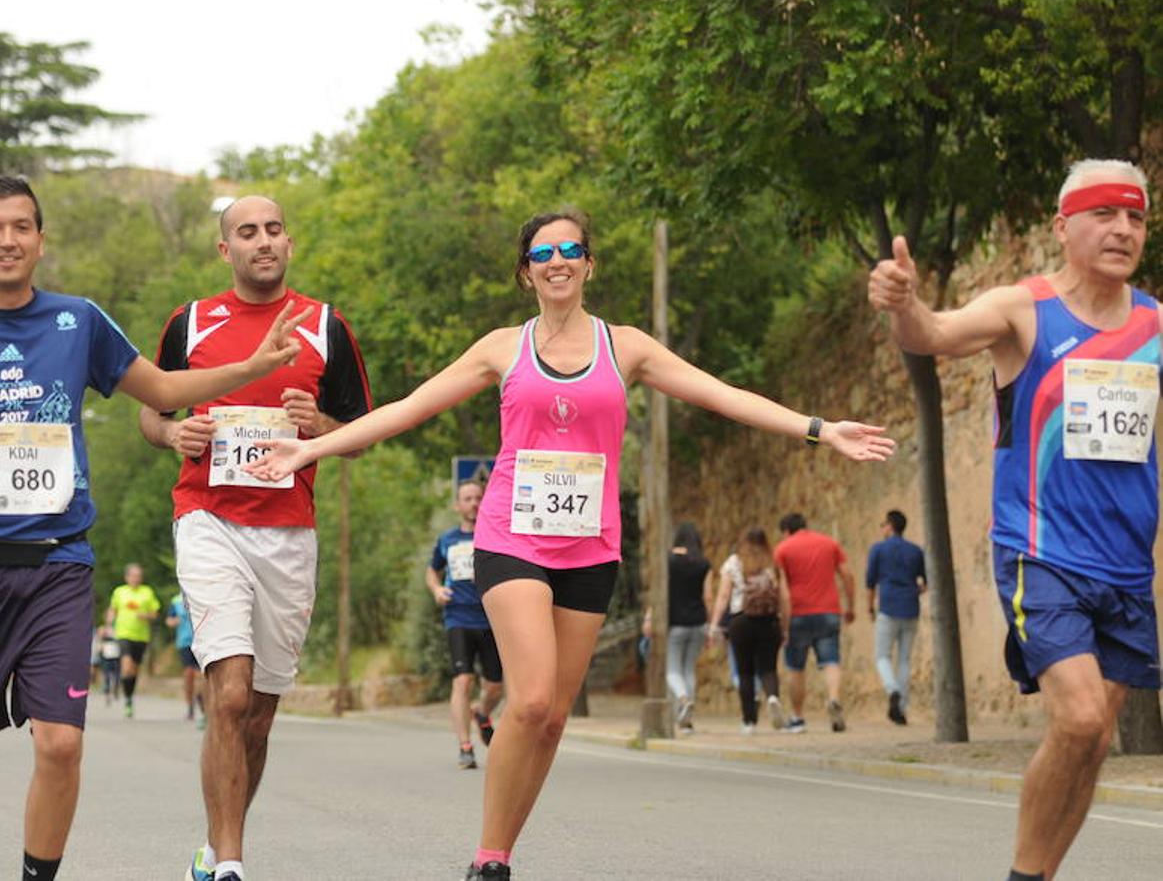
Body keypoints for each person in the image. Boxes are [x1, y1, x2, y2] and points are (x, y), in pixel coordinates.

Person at [250, 210, 893, 880]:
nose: (556, 260)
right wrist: (312, 447)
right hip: (512, 538)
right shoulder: (500, 348)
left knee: (553, 718)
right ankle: (488, 862)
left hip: (589, 547)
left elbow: (721, 395)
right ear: (525, 272)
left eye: (569, 249)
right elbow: (406, 409)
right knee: (528, 701)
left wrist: (819, 429)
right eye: (541, 252)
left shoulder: (627, 347)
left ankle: (501, 851)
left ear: (588, 264)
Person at [0, 174, 308, 881]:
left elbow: (162, 391)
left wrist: (251, 367)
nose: (7, 240)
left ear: (40, 239)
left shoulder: (79, 322)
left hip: (57, 564)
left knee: (61, 746)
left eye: (20, 226)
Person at [869, 158, 1160, 881]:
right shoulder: (1023, 310)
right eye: (1104, 214)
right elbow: (931, 334)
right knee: (1084, 718)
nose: (1122, 229)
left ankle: (1036, 875)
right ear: (1063, 228)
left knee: (1091, 745)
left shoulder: (1155, 325)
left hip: (1126, 566)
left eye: (1135, 216)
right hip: (1041, 552)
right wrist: (904, 303)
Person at [137, 194, 372, 881]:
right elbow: (153, 416)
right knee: (230, 694)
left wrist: (319, 425)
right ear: (225, 249)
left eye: (272, 230)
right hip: (207, 519)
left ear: (288, 243)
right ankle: (233, 864)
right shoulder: (190, 322)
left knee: (260, 716)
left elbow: (358, 437)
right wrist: (175, 432)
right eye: (247, 232)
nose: (261, 241)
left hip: (289, 530)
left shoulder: (327, 326)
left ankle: (213, 847)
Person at [426, 479, 504, 769]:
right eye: (468, 498)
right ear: (457, 506)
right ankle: (465, 746)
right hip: (457, 616)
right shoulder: (447, 540)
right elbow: (432, 571)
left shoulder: (496, 535)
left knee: (495, 686)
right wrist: (436, 590)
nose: (474, 503)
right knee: (463, 680)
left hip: (491, 617)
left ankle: (482, 713)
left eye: (478, 498)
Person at [775, 513, 855, 733]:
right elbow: (847, 575)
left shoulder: (782, 549)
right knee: (831, 661)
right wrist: (850, 606)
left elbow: (782, 590)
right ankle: (834, 698)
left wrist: (783, 621)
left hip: (798, 614)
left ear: (786, 531)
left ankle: (798, 717)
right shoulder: (829, 543)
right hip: (829, 611)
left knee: (795, 667)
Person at [709, 528, 788, 734]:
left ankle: (749, 721)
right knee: (768, 668)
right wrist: (785, 625)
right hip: (769, 621)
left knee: (745, 672)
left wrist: (715, 623)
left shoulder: (734, 562)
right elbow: (784, 597)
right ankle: (772, 697)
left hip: (740, 621)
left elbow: (724, 596)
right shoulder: (772, 563)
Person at [866, 509, 927, 725]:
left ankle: (892, 690)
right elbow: (925, 583)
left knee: (882, 655)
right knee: (904, 659)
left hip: (888, 607)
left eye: (883, 524)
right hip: (911, 608)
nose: (882, 528)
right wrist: (914, 591)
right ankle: (901, 708)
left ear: (890, 526)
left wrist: (869, 608)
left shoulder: (878, 550)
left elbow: (870, 583)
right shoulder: (916, 551)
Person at [664, 522, 710, 733]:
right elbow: (707, 596)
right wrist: (709, 624)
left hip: (675, 623)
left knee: (672, 670)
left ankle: (683, 700)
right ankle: (685, 722)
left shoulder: (668, 561)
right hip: (698, 622)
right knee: (688, 669)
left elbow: (661, 592)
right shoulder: (703, 563)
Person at [107, 563, 161, 719]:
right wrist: (109, 622)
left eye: (139, 576)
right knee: (126, 665)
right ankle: (126, 697)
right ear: (127, 577)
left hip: (141, 636)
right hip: (123, 633)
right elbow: (113, 609)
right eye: (133, 575)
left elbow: (155, 613)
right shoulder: (120, 592)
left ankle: (129, 697)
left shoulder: (147, 592)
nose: (136, 578)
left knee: (134, 670)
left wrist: (146, 616)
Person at [166, 590, 206, 728]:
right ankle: (190, 706)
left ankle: (204, 708)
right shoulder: (176, 600)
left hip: (203, 642)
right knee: (189, 674)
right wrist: (174, 621)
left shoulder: (203, 595)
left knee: (201, 676)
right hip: (184, 642)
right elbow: (169, 620)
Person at [97, 621, 122, 706]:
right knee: (107, 677)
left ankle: (116, 690)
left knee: (117, 677)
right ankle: (107, 696)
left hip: (116, 657)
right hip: (106, 658)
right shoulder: (103, 629)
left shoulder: (119, 628)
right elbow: (99, 639)